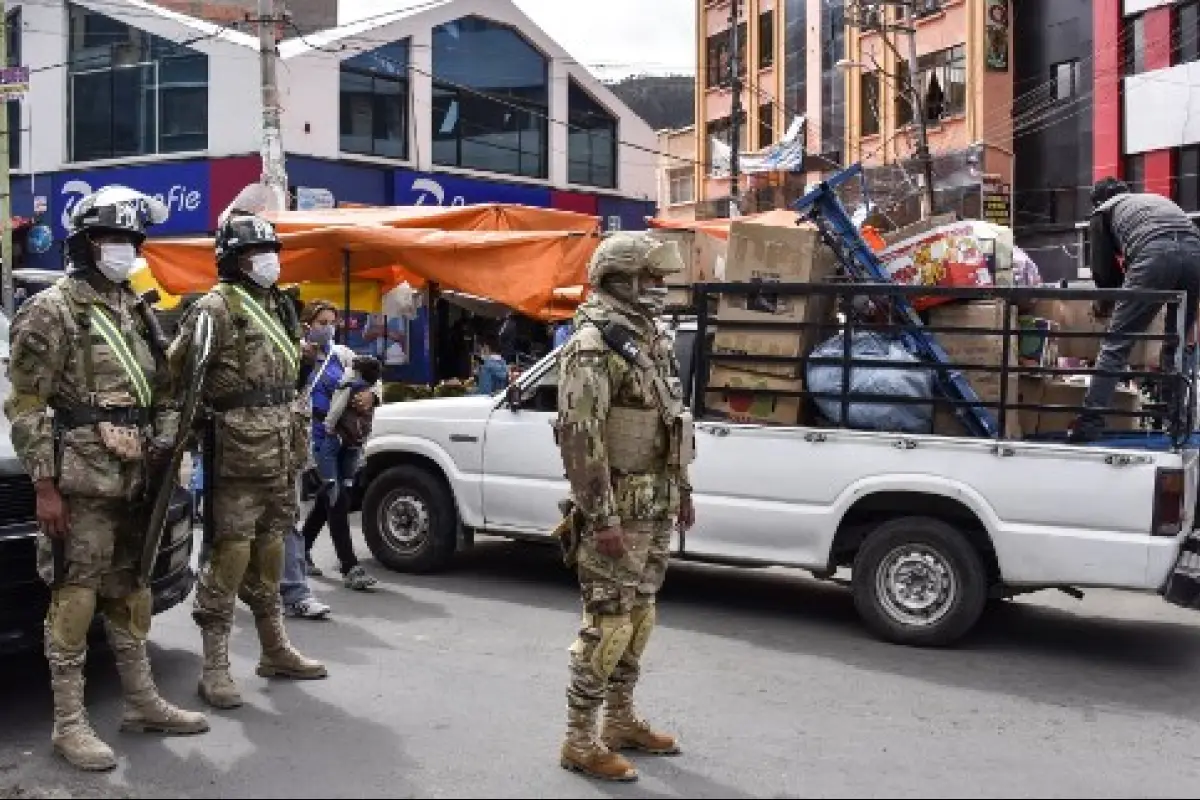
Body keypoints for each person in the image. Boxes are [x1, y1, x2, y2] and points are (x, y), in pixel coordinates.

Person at [3, 186, 209, 772]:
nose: (123, 249)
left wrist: (169, 438)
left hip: (137, 475)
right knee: (75, 594)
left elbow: (165, 389)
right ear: (85, 244)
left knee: (131, 588)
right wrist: (45, 484)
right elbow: (25, 404)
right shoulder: (51, 309)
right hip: (81, 481)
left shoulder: (136, 306)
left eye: (129, 240)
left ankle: (141, 701)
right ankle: (68, 723)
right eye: (111, 239)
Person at [553, 232, 697, 782]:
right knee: (607, 622)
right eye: (652, 279)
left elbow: (668, 421)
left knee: (639, 616)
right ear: (622, 279)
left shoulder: (646, 338)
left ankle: (619, 721)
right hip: (619, 509)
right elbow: (580, 435)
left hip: (655, 501)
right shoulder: (593, 343)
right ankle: (579, 739)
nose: (660, 288)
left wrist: (681, 488)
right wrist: (602, 517)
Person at [169, 211, 327, 711]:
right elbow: (178, 380)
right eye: (256, 254)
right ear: (234, 260)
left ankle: (274, 649)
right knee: (230, 555)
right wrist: (180, 447)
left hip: (282, 450)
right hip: (235, 454)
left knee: (272, 552)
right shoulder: (214, 309)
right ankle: (214, 665)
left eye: (271, 251)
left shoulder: (279, 305)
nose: (268, 261)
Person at [1070, 178, 1200, 442]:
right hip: (1195, 254)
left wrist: (1108, 308)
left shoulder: (1103, 212)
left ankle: (1090, 423)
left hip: (1155, 254)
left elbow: (1104, 274)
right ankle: (1179, 425)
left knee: (1116, 345)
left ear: (1097, 200)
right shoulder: (1153, 201)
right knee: (1179, 344)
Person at [300, 302, 380, 591]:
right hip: (317, 437)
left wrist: (371, 395)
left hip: (347, 436)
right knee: (336, 497)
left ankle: (301, 549)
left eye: (332, 322)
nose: (328, 327)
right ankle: (350, 566)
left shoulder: (342, 354)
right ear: (307, 324)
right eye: (322, 322)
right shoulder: (298, 356)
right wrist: (303, 363)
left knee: (330, 496)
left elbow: (372, 377)